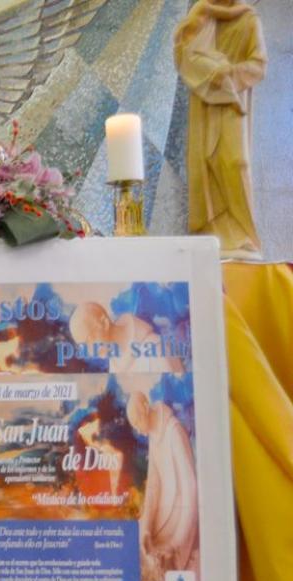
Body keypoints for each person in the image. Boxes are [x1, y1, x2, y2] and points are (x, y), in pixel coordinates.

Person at [174, 0, 267, 259]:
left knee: (236, 162)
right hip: (205, 105)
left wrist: (229, 74)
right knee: (204, 164)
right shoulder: (202, 13)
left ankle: (242, 234)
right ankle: (210, 233)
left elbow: (258, 64)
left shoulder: (249, 19)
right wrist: (209, 70)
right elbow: (183, 51)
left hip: (232, 104)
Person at [126, 392, 200, 581]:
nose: (139, 432)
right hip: (163, 511)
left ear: (145, 410)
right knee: (137, 545)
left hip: (181, 515)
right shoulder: (153, 432)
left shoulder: (173, 431)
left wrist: (177, 542)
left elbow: (191, 488)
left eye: (137, 422)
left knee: (159, 561)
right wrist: (146, 527)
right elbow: (153, 485)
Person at [68, 302, 185, 374]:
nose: (90, 351)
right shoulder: (115, 367)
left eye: (90, 339)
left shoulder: (157, 350)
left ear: (104, 324)